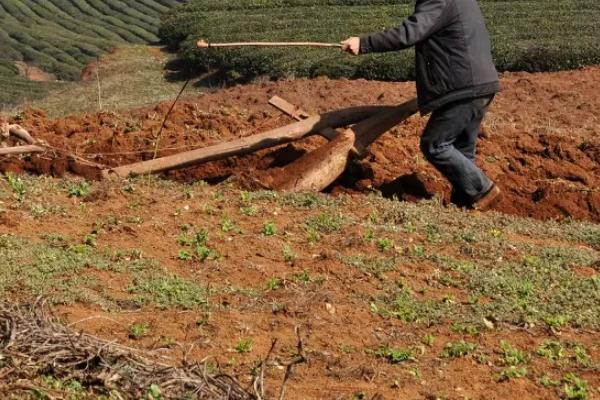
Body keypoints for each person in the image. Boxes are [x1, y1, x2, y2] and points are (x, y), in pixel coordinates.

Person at [341, 0, 501, 210]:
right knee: (462, 150)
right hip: (481, 83)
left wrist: (364, 43)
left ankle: (482, 190)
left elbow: (410, 32)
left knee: (434, 144)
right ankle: (465, 205)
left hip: (461, 85)